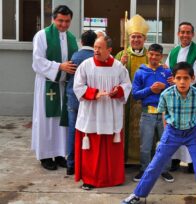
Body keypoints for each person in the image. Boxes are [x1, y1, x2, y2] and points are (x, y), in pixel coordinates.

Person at [122, 62, 196, 204]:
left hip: (192, 134)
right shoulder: (166, 94)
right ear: (173, 79)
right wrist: (167, 130)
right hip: (172, 133)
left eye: (186, 78)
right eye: (178, 78)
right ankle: (137, 194)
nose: (182, 82)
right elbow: (164, 113)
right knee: (155, 164)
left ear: (192, 78)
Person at [73, 36, 132, 190]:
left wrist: (117, 91)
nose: (96, 51)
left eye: (100, 48)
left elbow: (127, 85)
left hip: (111, 112)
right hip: (92, 111)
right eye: (95, 47)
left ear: (109, 50)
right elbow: (78, 86)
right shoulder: (86, 65)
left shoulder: (119, 67)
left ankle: (113, 178)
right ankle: (90, 179)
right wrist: (94, 93)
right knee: (91, 149)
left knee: (111, 149)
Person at [31, 5, 78, 171]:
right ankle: (45, 155)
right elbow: (37, 61)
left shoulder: (72, 38)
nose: (64, 24)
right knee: (46, 120)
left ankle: (59, 154)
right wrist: (59, 67)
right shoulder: (42, 35)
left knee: (61, 122)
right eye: (60, 21)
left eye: (67, 21)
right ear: (53, 19)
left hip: (64, 86)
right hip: (47, 84)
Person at [165, 22, 196, 173]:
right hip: (175, 94)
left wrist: (182, 82)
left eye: (188, 32)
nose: (185, 35)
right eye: (182, 32)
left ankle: (191, 162)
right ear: (178, 34)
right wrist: (173, 80)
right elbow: (168, 69)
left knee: (192, 125)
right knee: (175, 124)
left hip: (192, 93)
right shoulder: (173, 51)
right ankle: (175, 159)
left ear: (193, 34)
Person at [132, 43, 174, 182]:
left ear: (161, 56)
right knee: (146, 144)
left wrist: (166, 86)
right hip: (147, 114)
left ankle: (165, 170)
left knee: (165, 143)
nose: (154, 57)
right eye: (151, 54)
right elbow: (135, 94)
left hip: (164, 114)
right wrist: (150, 89)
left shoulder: (167, 72)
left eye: (157, 55)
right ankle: (144, 169)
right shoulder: (140, 72)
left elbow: (174, 91)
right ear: (147, 54)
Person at [115, 14, 149, 163]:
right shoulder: (121, 55)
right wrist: (120, 65)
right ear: (129, 39)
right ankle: (124, 158)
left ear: (145, 39)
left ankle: (142, 159)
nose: (136, 40)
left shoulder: (151, 57)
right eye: (133, 37)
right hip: (125, 103)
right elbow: (112, 78)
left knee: (144, 132)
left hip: (145, 101)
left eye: (139, 37)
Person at [65, 30, 97, 175]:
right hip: (90, 99)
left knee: (73, 130)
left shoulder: (75, 56)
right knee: (90, 132)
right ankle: (87, 163)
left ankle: (71, 164)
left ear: (82, 42)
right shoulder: (95, 57)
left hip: (73, 98)